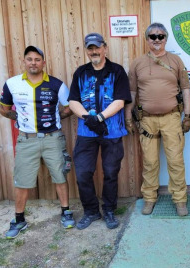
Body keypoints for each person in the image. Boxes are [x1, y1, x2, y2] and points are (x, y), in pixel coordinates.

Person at [0, 46, 75, 239]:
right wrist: (20, 118)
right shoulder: (12, 84)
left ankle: (66, 212)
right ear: (24, 61)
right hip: (27, 139)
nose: (33, 62)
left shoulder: (57, 84)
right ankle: (19, 219)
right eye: (29, 59)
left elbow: (69, 108)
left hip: (53, 138)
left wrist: (53, 118)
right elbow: (4, 108)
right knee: (22, 180)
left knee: (60, 175)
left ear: (43, 62)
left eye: (37, 59)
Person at [126, 23, 190, 216]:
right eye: (153, 36)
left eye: (160, 36)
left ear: (166, 38)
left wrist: (188, 116)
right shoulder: (137, 63)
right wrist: (128, 116)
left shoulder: (176, 61)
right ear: (147, 39)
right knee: (150, 161)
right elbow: (131, 92)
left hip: (172, 118)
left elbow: (186, 90)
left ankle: (180, 200)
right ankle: (149, 198)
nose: (157, 40)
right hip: (146, 120)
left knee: (175, 161)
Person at [68, 33, 132, 230]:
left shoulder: (117, 71)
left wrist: (100, 118)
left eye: (97, 47)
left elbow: (120, 100)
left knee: (111, 172)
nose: (94, 51)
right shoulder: (81, 72)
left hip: (111, 131)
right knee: (83, 173)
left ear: (104, 48)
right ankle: (91, 211)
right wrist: (88, 118)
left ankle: (110, 210)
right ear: (87, 50)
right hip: (86, 133)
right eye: (90, 48)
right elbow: (73, 101)